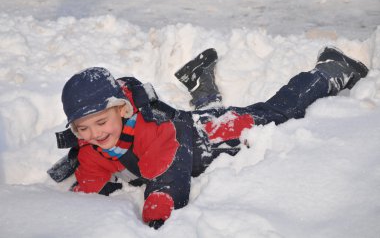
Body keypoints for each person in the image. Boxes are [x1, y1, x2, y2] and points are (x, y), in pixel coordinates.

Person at [49, 46, 368, 229]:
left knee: (276, 113)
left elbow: (169, 177)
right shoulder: (92, 142)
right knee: (216, 114)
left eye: (100, 122)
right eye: (82, 127)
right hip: (188, 129)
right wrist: (85, 194)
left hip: (210, 135)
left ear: (120, 109)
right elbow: (90, 170)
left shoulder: (152, 129)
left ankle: (328, 71)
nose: (93, 134)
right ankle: (201, 81)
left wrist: (160, 201)